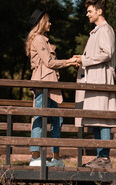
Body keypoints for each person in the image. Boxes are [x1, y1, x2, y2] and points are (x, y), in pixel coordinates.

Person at [26, 9, 76, 167]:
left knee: (57, 119)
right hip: (42, 84)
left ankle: (56, 158)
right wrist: (68, 61)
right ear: (41, 23)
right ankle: (35, 156)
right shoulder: (39, 39)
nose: (50, 23)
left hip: (51, 84)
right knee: (39, 118)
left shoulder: (44, 40)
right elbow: (48, 62)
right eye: (47, 21)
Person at [74, 0, 116, 169]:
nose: (87, 14)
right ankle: (100, 156)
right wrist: (82, 59)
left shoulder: (105, 30)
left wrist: (84, 60)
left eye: (90, 11)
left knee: (102, 119)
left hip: (101, 80)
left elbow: (106, 53)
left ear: (99, 11)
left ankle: (104, 158)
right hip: (94, 80)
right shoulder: (97, 30)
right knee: (96, 120)